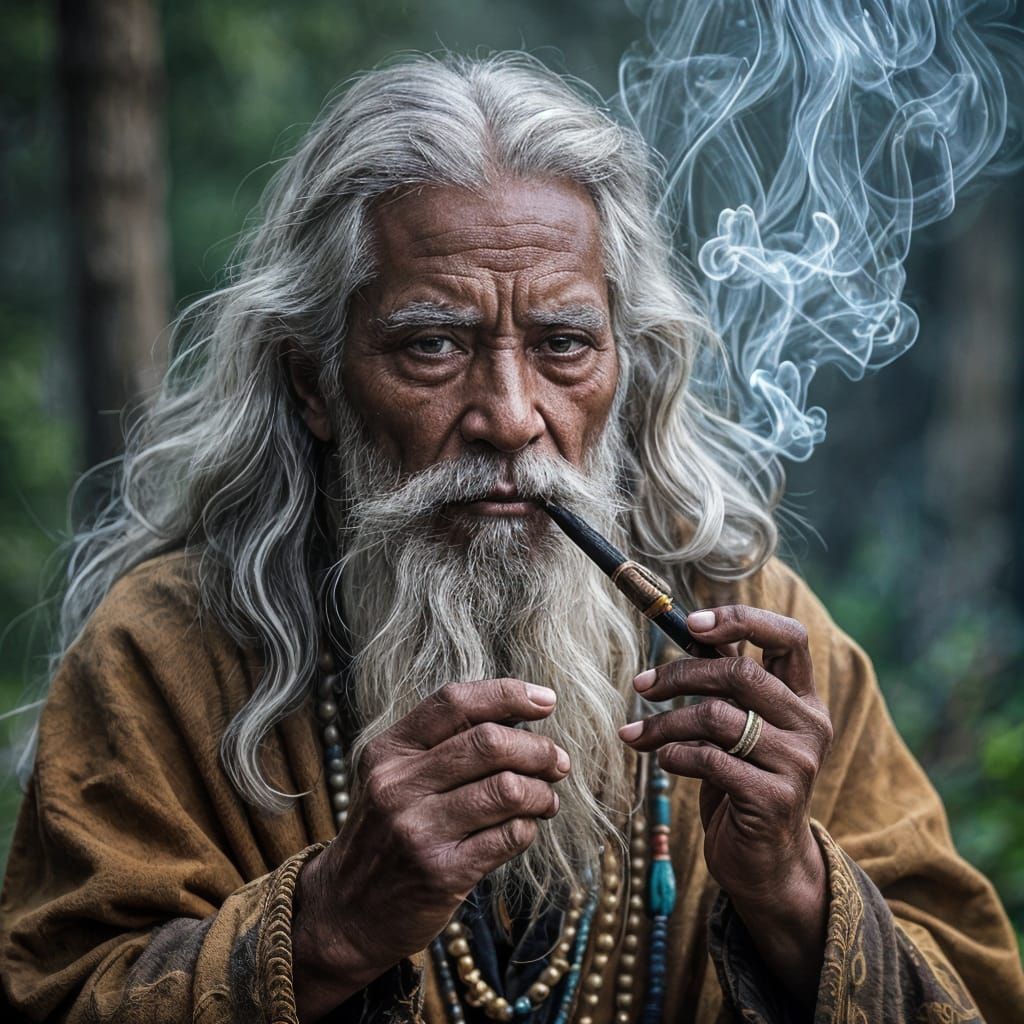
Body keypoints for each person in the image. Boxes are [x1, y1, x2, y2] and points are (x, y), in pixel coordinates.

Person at [1, 54, 1022, 1024]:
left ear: (624, 367)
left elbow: (977, 992)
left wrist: (792, 884)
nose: (510, 414)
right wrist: (331, 925)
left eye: (563, 345)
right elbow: (58, 991)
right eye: (431, 344)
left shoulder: (745, 636)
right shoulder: (169, 653)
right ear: (314, 381)